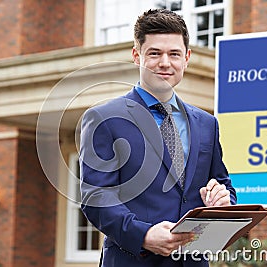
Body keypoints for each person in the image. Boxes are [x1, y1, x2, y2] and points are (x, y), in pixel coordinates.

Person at [79, 8, 236, 267]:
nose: (165, 62)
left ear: (186, 58)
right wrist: (144, 235)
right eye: (154, 53)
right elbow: (96, 196)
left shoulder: (207, 124)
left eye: (174, 54)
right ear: (136, 56)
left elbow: (222, 183)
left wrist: (223, 199)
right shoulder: (103, 119)